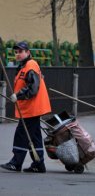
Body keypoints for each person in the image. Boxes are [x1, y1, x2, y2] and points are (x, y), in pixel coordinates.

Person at [0, 41, 51, 173]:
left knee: (21, 134)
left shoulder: (31, 65)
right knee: (34, 136)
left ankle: (16, 163)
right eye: (16, 52)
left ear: (28, 52)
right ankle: (39, 164)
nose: (18, 54)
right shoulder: (24, 66)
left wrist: (18, 95)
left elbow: (33, 88)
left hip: (32, 108)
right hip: (31, 108)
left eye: (21, 52)